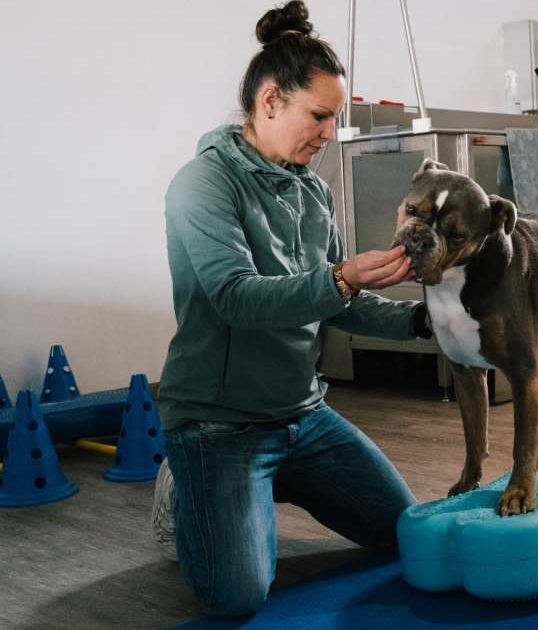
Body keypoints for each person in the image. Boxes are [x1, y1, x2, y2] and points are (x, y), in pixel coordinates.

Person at [150, 1, 428, 617]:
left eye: (334, 118)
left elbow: (336, 303)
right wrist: (339, 278)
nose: (329, 132)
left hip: (303, 416)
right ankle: (186, 485)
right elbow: (235, 299)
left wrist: (423, 323)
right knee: (237, 596)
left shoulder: (315, 192)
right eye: (321, 116)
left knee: (406, 532)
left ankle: (264, 483)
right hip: (219, 425)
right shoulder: (203, 183)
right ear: (271, 100)